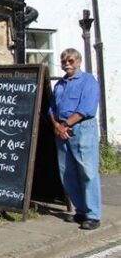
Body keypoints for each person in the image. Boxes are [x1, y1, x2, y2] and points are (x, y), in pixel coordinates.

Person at [49, 48, 102, 230]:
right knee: (68, 173)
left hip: (82, 129)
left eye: (71, 61)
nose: (67, 64)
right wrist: (57, 126)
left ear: (78, 61)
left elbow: (85, 108)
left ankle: (93, 215)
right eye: (64, 61)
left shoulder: (88, 81)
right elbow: (52, 109)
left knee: (87, 172)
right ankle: (80, 211)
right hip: (62, 130)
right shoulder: (60, 85)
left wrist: (66, 125)